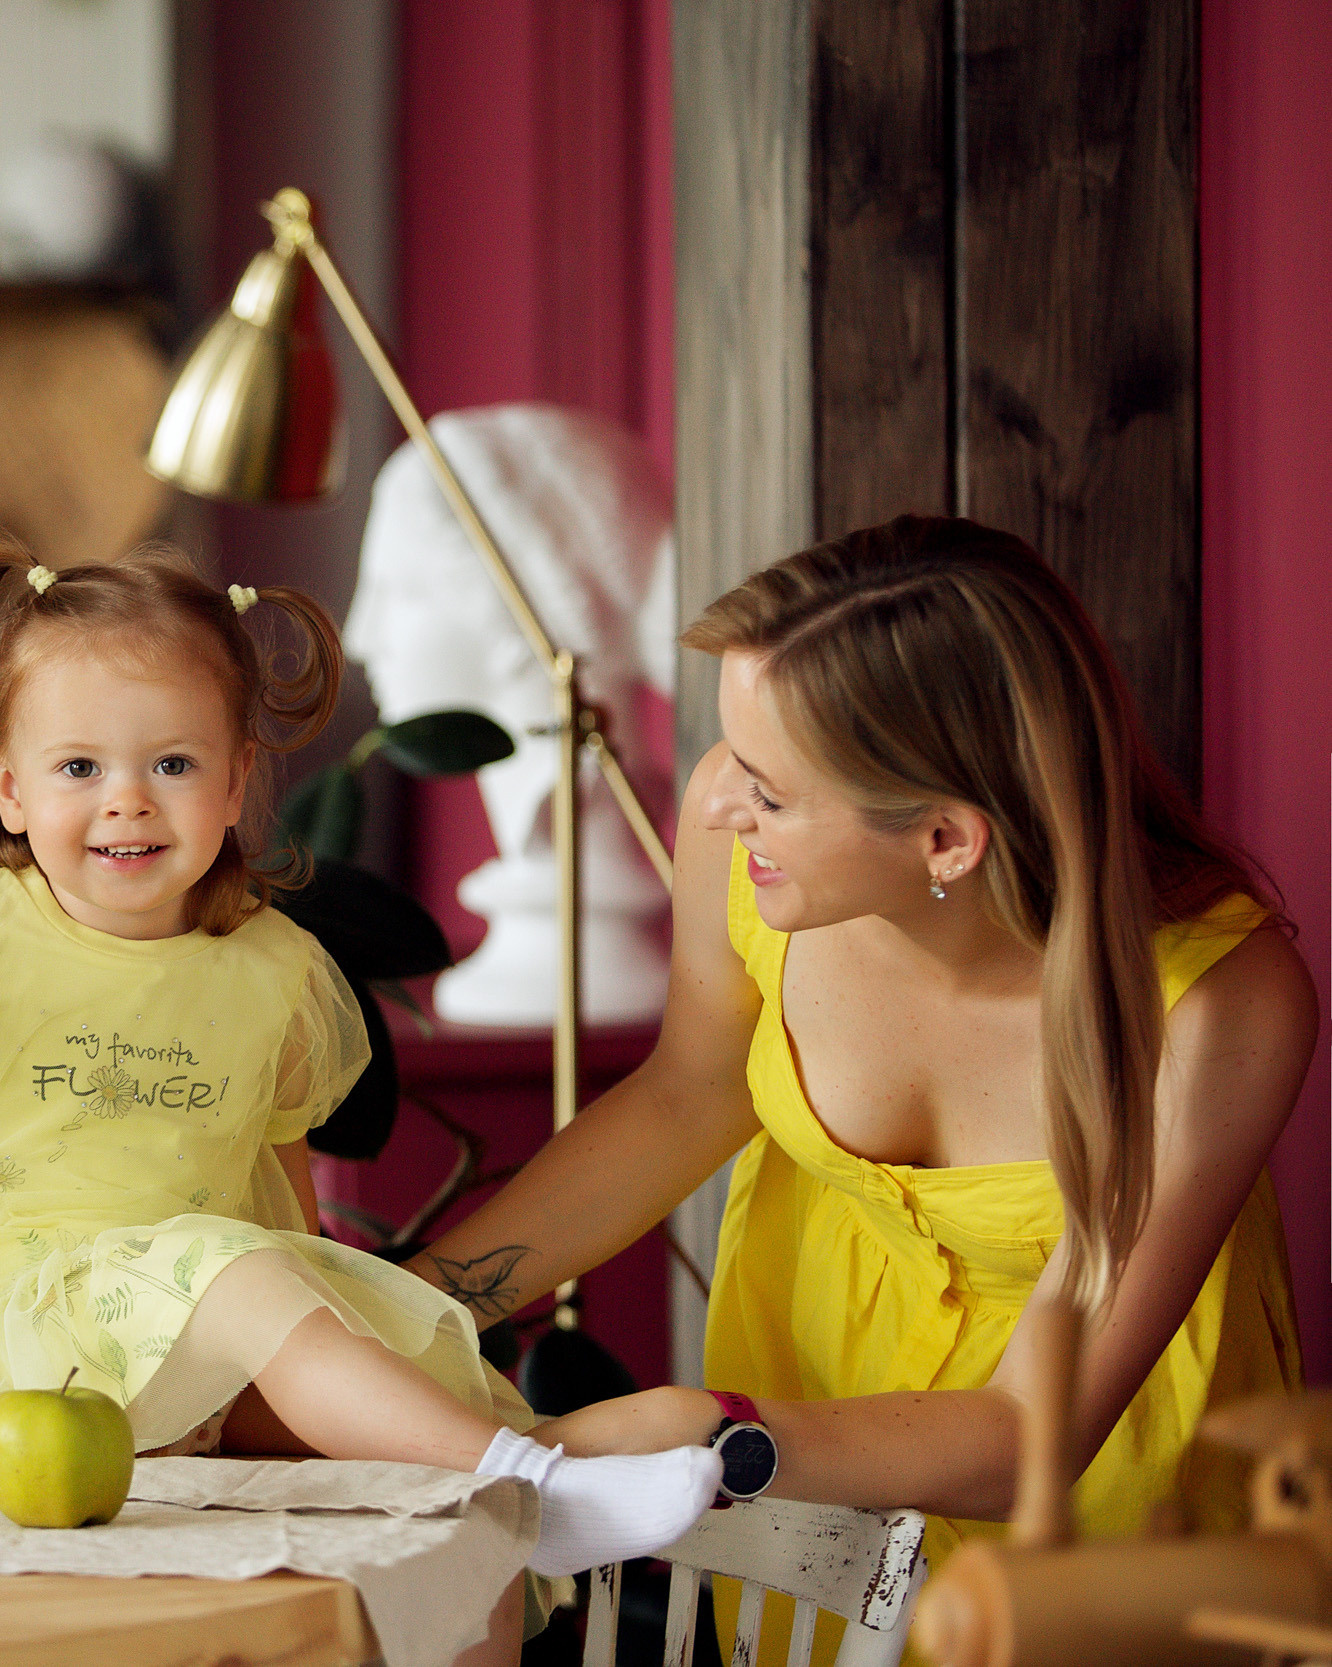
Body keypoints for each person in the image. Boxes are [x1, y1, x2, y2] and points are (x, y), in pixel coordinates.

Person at [403, 516, 1312, 1646]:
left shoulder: (1218, 1007)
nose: (724, 805)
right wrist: (414, 1308)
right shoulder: (734, 831)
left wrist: (717, 1429)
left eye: (772, 791)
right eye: (732, 752)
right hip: (808, 1422)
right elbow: (691, 1093)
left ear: (945, 838)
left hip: (1086, 1507)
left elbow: (1033, 1426)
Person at [0, 540, 723, 1600]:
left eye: (171, 764)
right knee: (247, 1284)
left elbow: (275, 1160)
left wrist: (310, 1297)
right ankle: (532, 1480)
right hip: (22, 1345)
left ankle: (555, 1466)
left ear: (234, 783)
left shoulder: (273, 969)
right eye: (80, 767)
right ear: (10, 787)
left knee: (374, 1377)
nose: (127, 801)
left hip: (192, 1345)